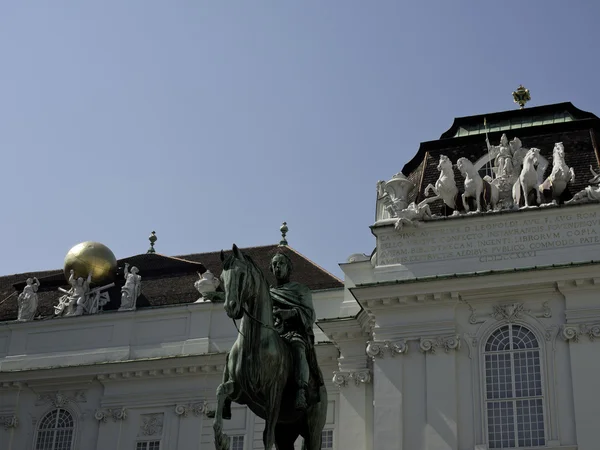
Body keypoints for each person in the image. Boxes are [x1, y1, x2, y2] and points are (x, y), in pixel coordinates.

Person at [269, 252, 323, 411]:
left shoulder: (300, 289)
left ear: (289, 268)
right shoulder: (268, 291)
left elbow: (310, 314)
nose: (277, 267)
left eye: (281, 264)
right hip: (273, 332)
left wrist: (291, 313)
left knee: (298, 347)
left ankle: (301, 390)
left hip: (293, 331)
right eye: (274, 264)